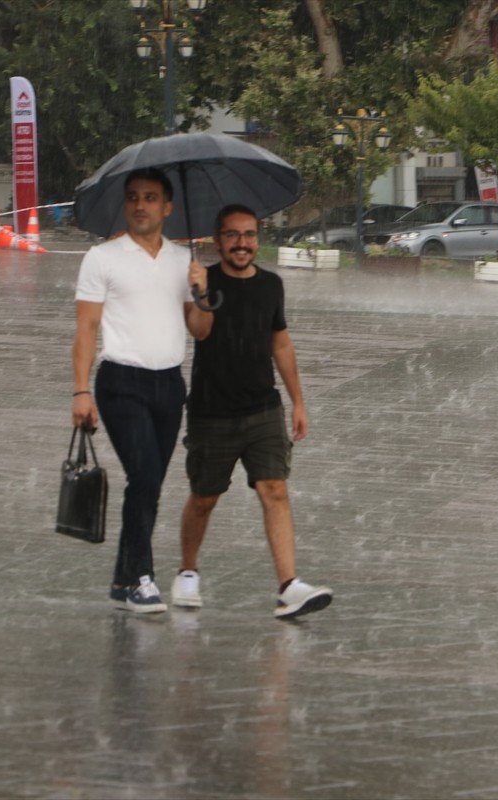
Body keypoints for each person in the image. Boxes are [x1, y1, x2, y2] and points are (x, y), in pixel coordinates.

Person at [174, 203, 332, 620]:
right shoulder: (202, 280)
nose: (241, 244)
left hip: (263, 408)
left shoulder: (271, 285)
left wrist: (298, 401)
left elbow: (280, 342)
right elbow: (200, 331)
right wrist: (200, 292)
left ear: (258, 239)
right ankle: (187, 571)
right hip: (212, 411)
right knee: (205, 498)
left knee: (274, 489)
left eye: (248, 235)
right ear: (217, 240)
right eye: (232, 235)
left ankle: (289, 586)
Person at [72, 166, 206, 614]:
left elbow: (200, 330)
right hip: (121, 381)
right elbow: (86, 328)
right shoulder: (102, 258)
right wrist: (80, 391)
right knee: (144, 476)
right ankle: (141, 580)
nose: (141, 205)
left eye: (151, 197)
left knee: (149, 483)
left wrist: (202, 292)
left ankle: (122, 577)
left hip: (170, 384)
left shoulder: (182, 260)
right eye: (133, 197)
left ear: (168, 206)